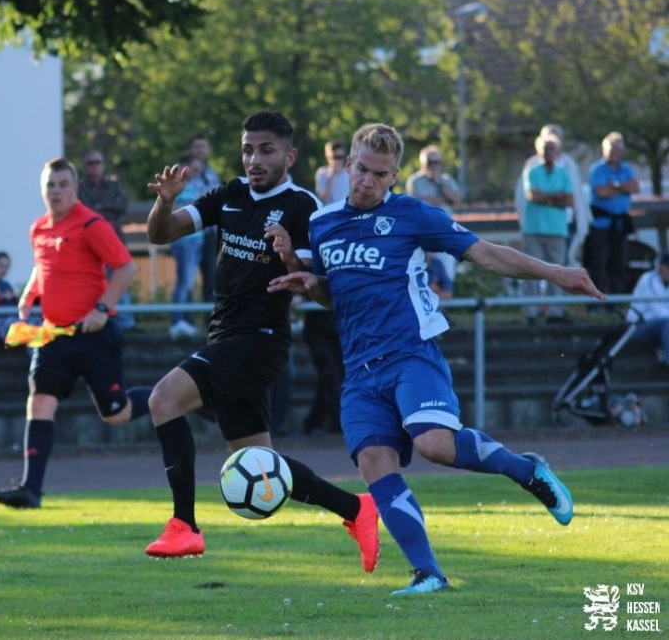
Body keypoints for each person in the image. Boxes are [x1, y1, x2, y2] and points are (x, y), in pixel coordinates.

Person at [268, 122, 604, 595]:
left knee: (434, 445)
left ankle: (526, 470)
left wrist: (556, 273)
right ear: (347, 165)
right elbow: (333, 294)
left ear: (394, 177)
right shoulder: (322, 224)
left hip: (410, 354)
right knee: (374, 464)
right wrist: (304, 277)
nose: (366, 181)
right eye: (361, 169)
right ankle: (428, 573)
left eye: (379, 174)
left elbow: (485, 254)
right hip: (359, 370)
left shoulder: (413, 214)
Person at [143, 110, 379, 569]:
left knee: (162, 400)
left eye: (266, 150)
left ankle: (184, 526)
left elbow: (312, 283)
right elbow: (161, 234)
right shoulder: (229, 195)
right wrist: (165, 203)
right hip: (225, 336)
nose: (254, 159)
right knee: (260, 463)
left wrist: (290, 256)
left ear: (288, 156)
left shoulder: (301, 205)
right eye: (248, 149)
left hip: (260, 341)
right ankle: (356, 509)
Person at [0, 157, 152, 509]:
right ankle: (30, 490)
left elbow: (126, 268)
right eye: (50, 185)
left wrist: (102, 309)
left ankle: (178, 395)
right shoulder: (38, 228)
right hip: (53, 335)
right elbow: (44, 266)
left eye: (63, 184)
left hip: (95, 335)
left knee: (116, 413)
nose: (56, 191)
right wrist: (29, 293)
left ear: (75, 188)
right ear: (42, 190)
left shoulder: (92, 224)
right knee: (39, 402)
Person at [514, 124, 588, 266]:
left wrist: (545, 197)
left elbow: (572, 198)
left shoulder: (567, 165)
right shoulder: (532, 166)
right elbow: (530, 196)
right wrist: (556, 197)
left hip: (562, 224)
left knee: (560, 265)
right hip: (535, 225)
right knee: (534, 267)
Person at [78, 149, 136, 330]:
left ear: (103, 164)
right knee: (99, 284)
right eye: (90, 163)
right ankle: (105, 319)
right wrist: (106, 208)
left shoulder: (113, 186)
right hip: (93, 246)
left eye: (98, 162)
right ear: (85, 166)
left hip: (115, 242)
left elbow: (122, 205)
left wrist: (100, 207)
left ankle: (126, 321)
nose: (94, 166)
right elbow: (86, 209)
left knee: (121, 279)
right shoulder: (81, 188)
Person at [520, 134, 574, 325]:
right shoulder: (532, 171)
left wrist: (546, 197)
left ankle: (555, 312)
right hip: (534, 228)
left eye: (551, 148)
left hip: (557, 230)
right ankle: (531, 312)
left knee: (558, 272)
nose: (548, 152)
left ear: (557, 152)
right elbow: (533, 195)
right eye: (544, 148)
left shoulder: (564, 173)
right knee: (530, 271)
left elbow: (569, 200)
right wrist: (556, 197)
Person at [585, 132, 640, 299]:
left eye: (618, 150)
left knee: (618, 264)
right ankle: (595, 303)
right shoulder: (597, 169)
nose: (615, 153)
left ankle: (614, 302)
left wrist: (614, 185)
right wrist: (623, 187)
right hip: (601, 225)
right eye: (612, 149)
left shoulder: (627, 169)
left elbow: (635, 187)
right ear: (604, 150)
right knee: (598, 264)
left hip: (620, 225)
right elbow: (601, 192)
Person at [405, 146, 462, 295]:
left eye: (437, 162)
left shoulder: (447, 180)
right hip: (424, 238)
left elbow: (456, 200)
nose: (434, 166)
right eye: (430, 162)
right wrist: (443, 200)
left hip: (446, 235)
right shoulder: (415, 180)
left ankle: (445, 308)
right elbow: (420, 203)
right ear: (422, 163)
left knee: (446, 284)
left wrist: (439, 184)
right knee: (426, 282)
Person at [167, 152, 205, 339]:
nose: (196, 172)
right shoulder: (175, 185)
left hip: (197, 239)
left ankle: (183, 321)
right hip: (184, 240)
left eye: (198, 169)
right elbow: (169, 210)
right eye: (194, 169)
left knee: (188, 282)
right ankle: (177, 322)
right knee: (185, 281)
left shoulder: (196, 185)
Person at [188, 133, 222, 322]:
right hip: (189, 233)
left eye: (203, 146)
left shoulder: (212, 175)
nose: (199, 150)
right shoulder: (183, 173)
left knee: (211, 275)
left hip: (210, 232)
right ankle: (184, 321)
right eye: (196, 146)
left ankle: (210, 319)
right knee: (187, 278)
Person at [300, 303, 344, 436]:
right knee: (330, 376)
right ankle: (338, 421)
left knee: (331, 378)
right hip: (318, 328)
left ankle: (314, 422)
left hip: (339, 328)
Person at [627, 252, 669, 370]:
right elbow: (656, 309)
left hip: (661, 327)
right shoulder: (647, 280)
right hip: (637, 326)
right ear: (660, 267)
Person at [314, 140, 350, 205]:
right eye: (334, 157)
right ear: (327, 157)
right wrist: (330, 176)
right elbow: (323, 199)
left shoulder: (350, 174)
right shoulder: (321, 173)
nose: (336, 161)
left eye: (339, 157)